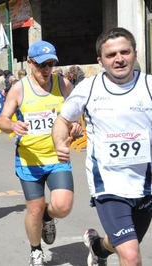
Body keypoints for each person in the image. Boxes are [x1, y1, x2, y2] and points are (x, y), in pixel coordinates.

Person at [52, 27, 152, 266]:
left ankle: (98, 248)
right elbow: (63, 120)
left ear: (134, 53)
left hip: (145, 184)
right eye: (111, 55)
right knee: (130, 255)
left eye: (124, 52)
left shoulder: (149, 86)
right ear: (100, 61)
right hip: (109, 185)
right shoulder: (89, 89)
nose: (119, 59)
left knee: (123, 242)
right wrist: (59, 143)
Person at [0, 41, 82, 265]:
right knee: (33, 209)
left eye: (51, 64)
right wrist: (12, 125)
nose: (46, 70)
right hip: (29, 159)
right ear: (30, 63)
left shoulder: (63, 84)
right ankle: (36, 250)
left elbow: (75, 113)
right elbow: (2, 119)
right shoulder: (19, 89)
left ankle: (48, 217)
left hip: (57, 157)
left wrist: (75, 125)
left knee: (63, 206)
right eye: (41, 65)